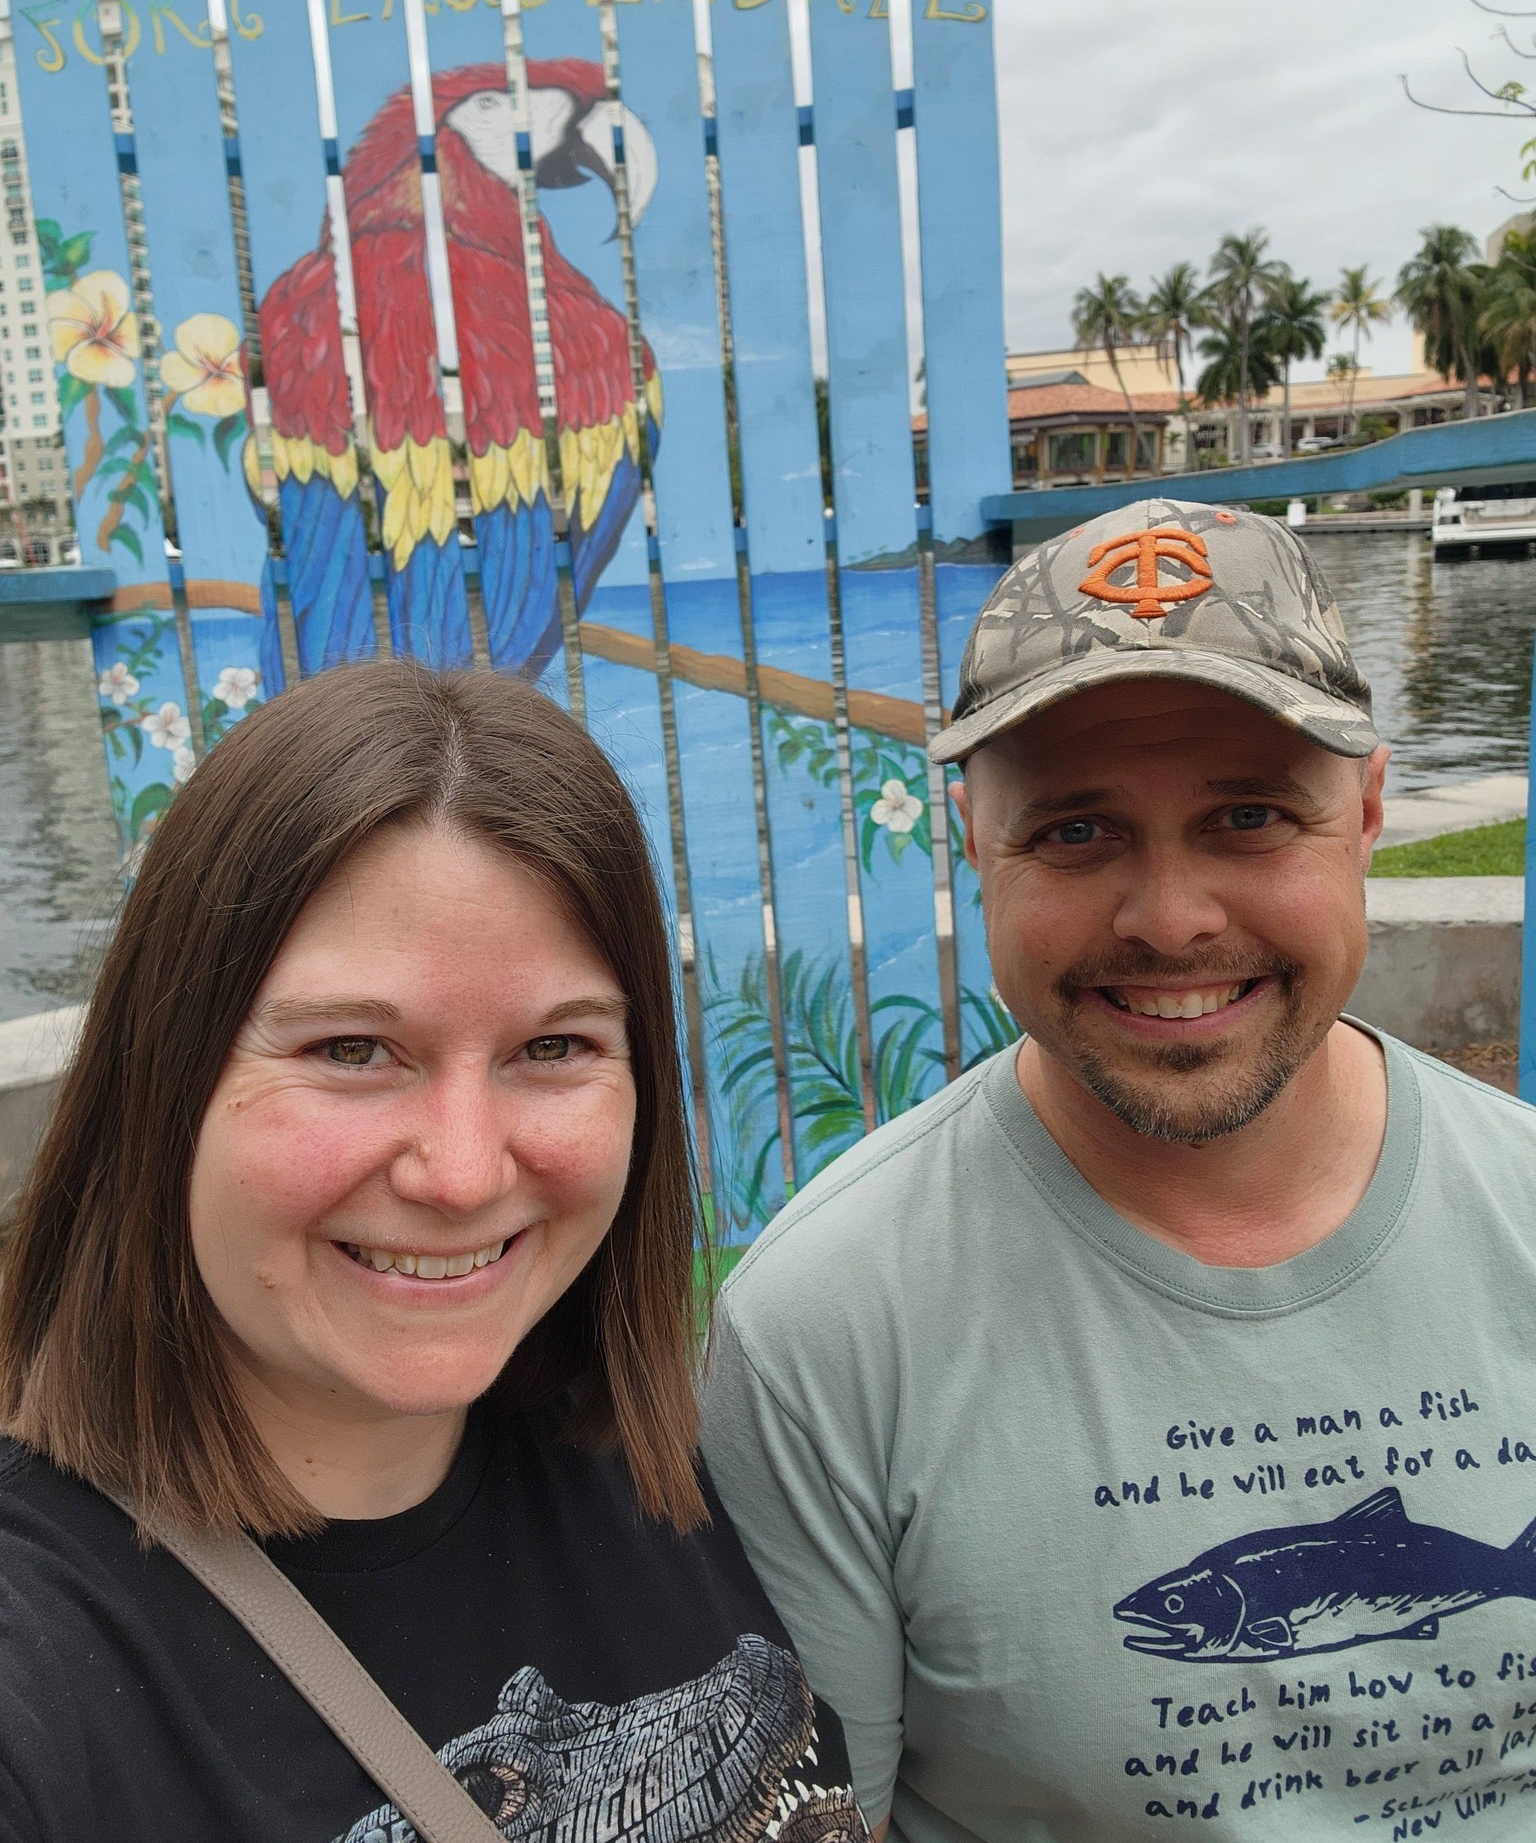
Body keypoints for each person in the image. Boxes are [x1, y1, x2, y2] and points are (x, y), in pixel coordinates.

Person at [702, 497, 1536, 1841]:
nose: (1172, 920)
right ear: (975, 836)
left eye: (1250, 817)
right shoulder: (824, 1330)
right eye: (1079, 833)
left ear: (1368, 811)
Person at [0, 660, 866, 1843]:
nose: (462, 1172)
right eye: (354, 1049)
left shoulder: (641, 1457)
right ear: (165, 1080)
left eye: (554, 1046)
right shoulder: (40, 1670)